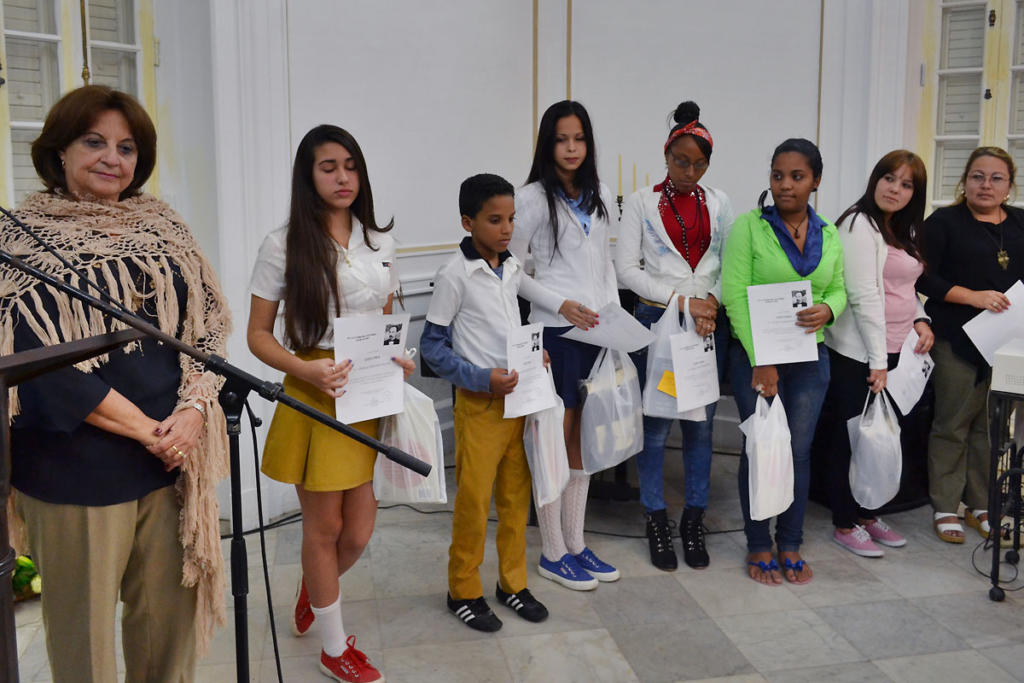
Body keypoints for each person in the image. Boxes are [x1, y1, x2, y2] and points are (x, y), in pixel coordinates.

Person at [2, 85, 231, 682]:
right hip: (76, 469)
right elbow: (40, 370)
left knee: (167, 637)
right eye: (94, 141)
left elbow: (205, 329)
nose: (113, 158)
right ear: (59, 152)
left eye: (127, 147)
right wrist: (154, 431)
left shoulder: (164, 227)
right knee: (87, 651)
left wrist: (195, 413)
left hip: (169, 465)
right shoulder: (20, 242)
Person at [248, 125, 414, 682]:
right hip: (315, 388)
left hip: (368, 391)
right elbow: (258, 336)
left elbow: (389, 319)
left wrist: (401, 358)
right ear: (308, 176)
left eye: (350, 165)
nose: (342, 177)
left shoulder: (379, 240)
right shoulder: (282, 244)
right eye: (328, 167)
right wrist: (304, 368)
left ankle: (314, 590)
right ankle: (332, 647)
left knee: (359, 531)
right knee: (322, 529)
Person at [421, 173, 565, 631]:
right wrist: (481, 378)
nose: (507, 229)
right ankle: (462, 589)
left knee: (514, 496)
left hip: (517, 403)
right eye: (495, 220)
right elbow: (432, 348)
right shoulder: (454, 275)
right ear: (468, 222)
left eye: (511, 219)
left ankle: (512, 583)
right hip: (480, 407)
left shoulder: (511, 267)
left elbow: (504, 329)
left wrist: (531, 351)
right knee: (474, 501)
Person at [721, 138, 846, 585]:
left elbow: (838, 288)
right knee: (761, 446)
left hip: (811, 356)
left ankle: (790, 541)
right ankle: (758, 543)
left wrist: (830, 309)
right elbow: (733, 295)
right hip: (756, 358)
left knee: (798, 450)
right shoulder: (748, 227)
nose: (785, 185)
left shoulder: (829, 232)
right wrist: (761, 359)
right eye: (777, 175)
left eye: (797, 176)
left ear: (815, 180)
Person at [616, 100, 734, 571]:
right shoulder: (642, 202)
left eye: (699, 163)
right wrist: (683, 302)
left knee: (699, 425)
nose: (690, 171)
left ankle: (694, 518)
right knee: (657, 424)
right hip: (656, 323)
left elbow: (730, 262)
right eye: (681, 161)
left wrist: (712, 303)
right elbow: (626, 271)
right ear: (666, 156)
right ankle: (656, 517)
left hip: (705, 327)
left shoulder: (720, 203)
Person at [511, 99, 621, 590]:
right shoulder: (530, 198)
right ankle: (552, 551)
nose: (571, 148)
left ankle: (576, 542)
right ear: (547, 143)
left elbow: (606, 264)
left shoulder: (601, 192)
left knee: (583, 437)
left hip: (598, 331)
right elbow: (509, 272)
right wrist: (561, 304)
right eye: (561, 139)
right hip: (555, 331)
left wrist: (614, 317)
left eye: (579, 138)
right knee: (553, 438)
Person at [822, 150, 934, 557]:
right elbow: (864, 296)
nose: (895, 189)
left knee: (881, 439)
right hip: (860, 353)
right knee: (851, 438)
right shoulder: (859, 224)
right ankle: (843, 521)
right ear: (875, 180)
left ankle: (867, 514)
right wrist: (877, 362)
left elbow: (906, 289)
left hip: (897, 350)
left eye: (907, 184)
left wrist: (922, 320)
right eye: (889, 178)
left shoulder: (901, 229)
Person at [916, 146, 1024, 544]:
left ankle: (980, 503)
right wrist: (973, 296)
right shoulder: (944, 222)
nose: (986, 185)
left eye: (996, 178)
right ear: (965, 180)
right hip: (956, 339)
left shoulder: (1020, 223)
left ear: (1009, 185)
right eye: (978, 176)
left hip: (1008, 343)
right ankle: (946, 505)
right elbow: (924, 279)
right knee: (953, 424)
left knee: (991, 427)